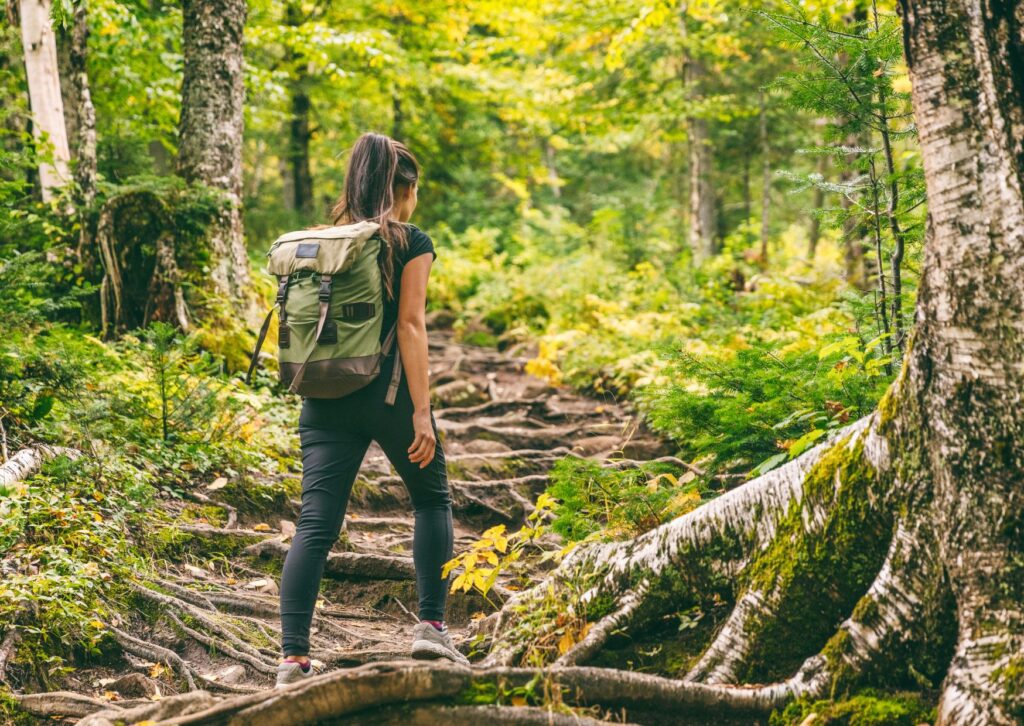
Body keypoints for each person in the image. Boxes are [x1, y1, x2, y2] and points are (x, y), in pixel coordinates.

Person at [276, 132, 467, 688]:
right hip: (388, 397)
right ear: (401, 188)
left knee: (315, 523)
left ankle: (292, 659)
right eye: (415, 191)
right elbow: (410, 325)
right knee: (433, 499)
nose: (416, 202)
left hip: (323, 398)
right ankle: (431, 627)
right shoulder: (410, 240)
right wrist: (421, 412)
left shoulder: (325, 242)